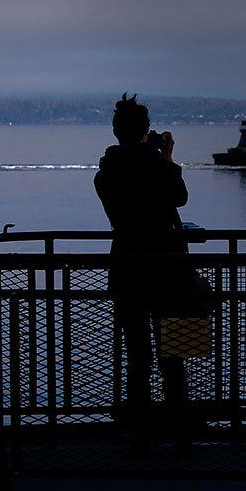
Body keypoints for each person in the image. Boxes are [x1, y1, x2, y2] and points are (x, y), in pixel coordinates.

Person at [94, 93, 192, 455]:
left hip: (128, 270)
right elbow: (179, 198)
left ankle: (140, 437)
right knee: (176, 355)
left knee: (137, 359)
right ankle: (182, 437)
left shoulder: (105, 174)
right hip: (171, 272)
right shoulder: (159, 167)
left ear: (116, 131)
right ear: (145, 130)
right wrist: (165, 157)